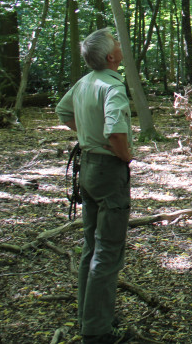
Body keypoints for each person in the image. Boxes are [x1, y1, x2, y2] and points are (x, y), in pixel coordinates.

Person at [56, 28, 135, 344]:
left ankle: (90, 316)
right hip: (107, 170)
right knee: (107, 251)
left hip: (87, 166)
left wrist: (86, 134)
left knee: (92, 246)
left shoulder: (84, 82)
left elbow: (63, 111)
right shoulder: (112, 87)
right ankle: (97, 331)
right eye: (116, 43)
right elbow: (116, 135)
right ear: (111, 57)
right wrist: (126, 157)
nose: (119, 44)